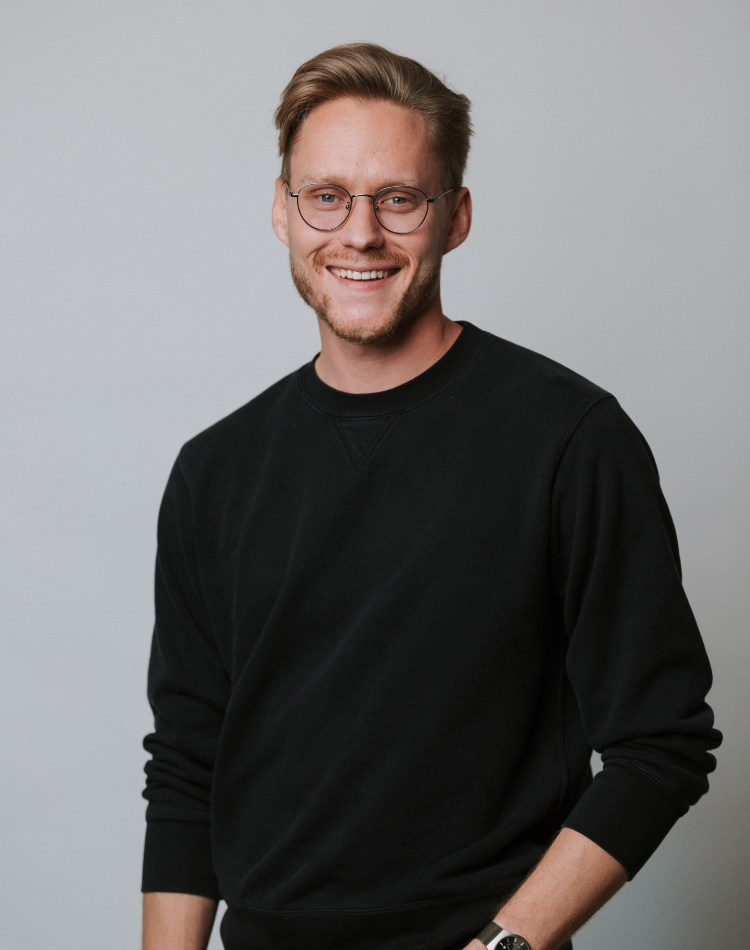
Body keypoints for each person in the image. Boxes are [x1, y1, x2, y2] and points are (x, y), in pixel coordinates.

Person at [140, 43, 721, 950]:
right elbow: (186, 765)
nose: (359, 233)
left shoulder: (569, 438)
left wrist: (504, 945)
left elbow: (664, 744)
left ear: (455, 219)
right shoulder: (214, 469)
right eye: (326, 196)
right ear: (283, 215)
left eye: (398, 199)